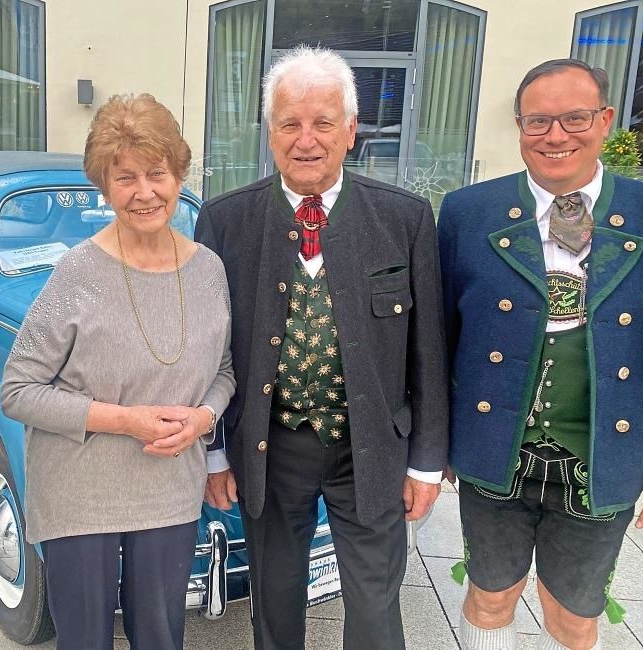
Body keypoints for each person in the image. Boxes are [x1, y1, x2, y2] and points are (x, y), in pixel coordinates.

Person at [438, 59, 643, 650]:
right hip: (494, 450)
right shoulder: (466, 213)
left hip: (603, 453)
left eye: (574, 118)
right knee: (490, 595)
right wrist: (433, 449)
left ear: (605, 120)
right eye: (538, 122)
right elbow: (438, 342)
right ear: (519, 127)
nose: (556, 135)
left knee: (574, 617)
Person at [195, 46, 448, 649]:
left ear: (352, 131)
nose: (306, 140)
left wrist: (426, 463)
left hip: (372, 450)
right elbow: (207, 350)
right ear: (269, 133)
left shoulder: (405, 220)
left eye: (323, 123)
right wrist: (213, 455)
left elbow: (428, 353)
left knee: (376, 604)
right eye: (290, 124)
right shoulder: (225, 221)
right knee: (274, 603)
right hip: (270, 447)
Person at [0, 93, 235, 650]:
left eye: (156, 173)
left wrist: (204, 417)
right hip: (81, 494)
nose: (144, 192)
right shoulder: (77, 273)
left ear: (178, 174)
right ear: (104, 187)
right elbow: (18, 391)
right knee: (84, 641)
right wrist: (126, 420)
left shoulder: (209, 269)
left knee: (160, 635)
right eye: (125, 177)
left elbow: (225, 369)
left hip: (170, 487)